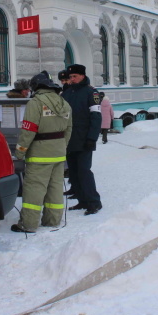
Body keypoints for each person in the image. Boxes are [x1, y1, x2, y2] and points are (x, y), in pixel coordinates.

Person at [11, 71, 72, 233]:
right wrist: (61, 146)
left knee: (34, 189)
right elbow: (69, 129)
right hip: (58, 153)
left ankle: (28, 224)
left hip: (39, 154)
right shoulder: (64, 103)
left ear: (37, 87)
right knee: (55, 188)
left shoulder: (35, 103)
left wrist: (19, 153)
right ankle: (52, 220)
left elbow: (28, 130)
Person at [62, 64, 103, 215]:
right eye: (70, 77)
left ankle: (94, 201)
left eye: (75, 76)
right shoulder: (67, 93)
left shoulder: (91, 93)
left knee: (84, 171)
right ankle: (82, 200)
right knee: (73, 172)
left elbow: (96, 116)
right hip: (69, 139)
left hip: (85, 139)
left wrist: (92, 137)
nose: (72, 79)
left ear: (82, 76)